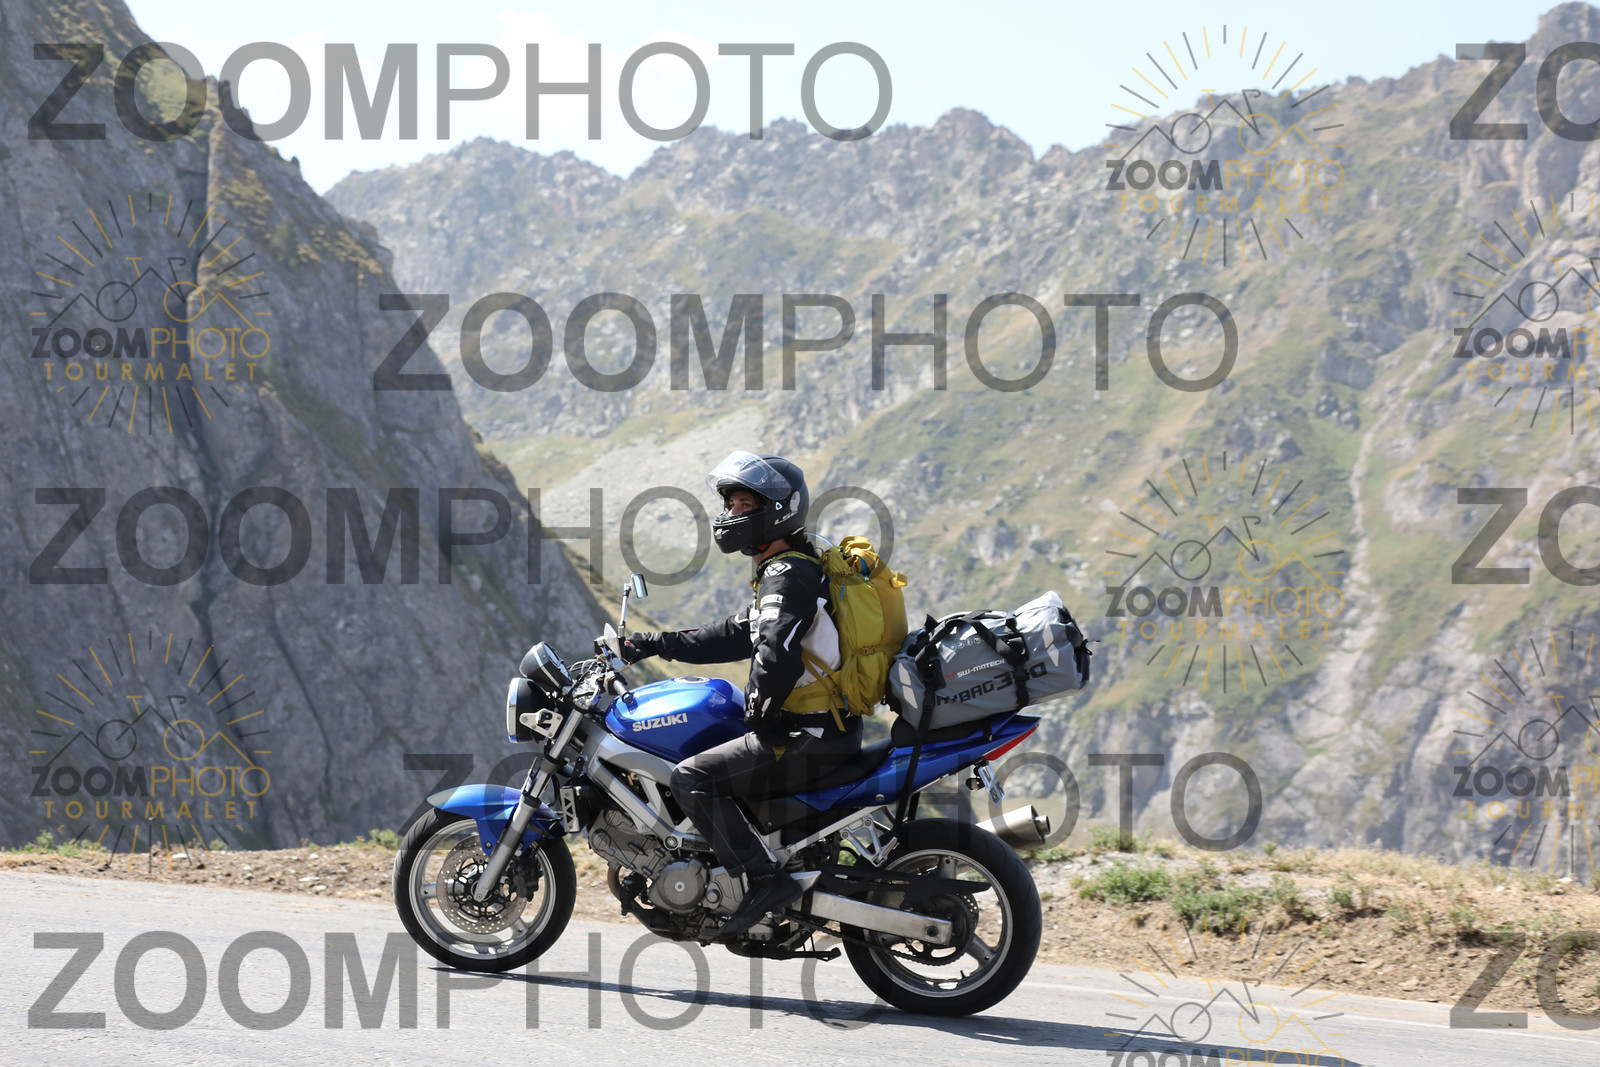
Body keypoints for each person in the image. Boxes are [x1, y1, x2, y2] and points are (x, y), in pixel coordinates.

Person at [620, 450, 860, 940]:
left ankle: (765, 881)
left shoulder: (786, 573)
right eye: (729, 504)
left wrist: (759, 712)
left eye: (744, 504)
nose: (730, 514)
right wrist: (653, 644)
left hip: (811, 735)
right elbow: (736, 633)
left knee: (692, 779)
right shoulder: (792, 567)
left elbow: (777, 650)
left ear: (776, 511)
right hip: (824, 729)